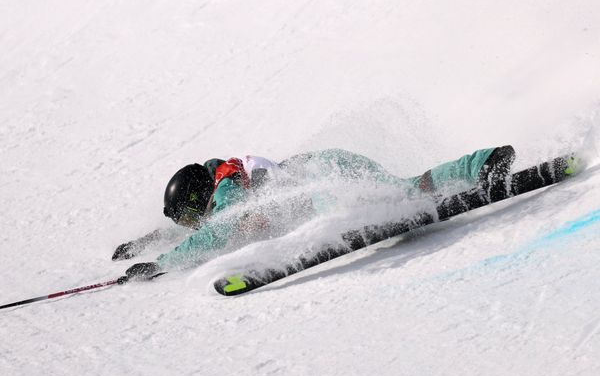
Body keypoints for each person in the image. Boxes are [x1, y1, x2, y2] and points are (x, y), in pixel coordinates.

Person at [119, 146, 516, 281]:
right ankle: (478, 166)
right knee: (406, 190)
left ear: (198, 199)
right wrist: (147, 242)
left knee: (391, 198)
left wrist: (162, 264)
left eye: (190, 217)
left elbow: (214, 233)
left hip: (322, 180)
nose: (194, 226)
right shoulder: (229, 182)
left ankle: (482, 163)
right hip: (325, 166)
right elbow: (203, 230)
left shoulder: (226, 192)